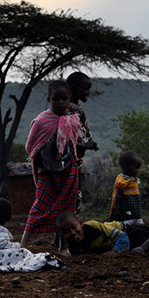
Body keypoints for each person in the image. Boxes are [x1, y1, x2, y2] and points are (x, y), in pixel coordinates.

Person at [20, 80, 82, 252]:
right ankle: (23, 244)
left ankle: (63, 248)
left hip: (68, 171)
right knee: (40, 206)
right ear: (49, 99)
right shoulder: (41, 122)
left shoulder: (74, 120)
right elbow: (30, 146)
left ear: (70, 99)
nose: (61, 102)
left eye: (65, 98)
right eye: (56, 99)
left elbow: (74, 144)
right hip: (47, 172)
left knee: (66, 210)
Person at [0, 198, 64, 272]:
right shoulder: (1, 231)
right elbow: (4, 245)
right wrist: (18, 246)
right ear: (9, 218)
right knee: (21, 253)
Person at [65, 71, 99, 217]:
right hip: (67, 164)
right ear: (73, 87)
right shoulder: (69, 110)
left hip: (73, 164)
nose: (88, 93)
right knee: (69, 202)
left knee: (69, 201)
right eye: (85, 89)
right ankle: (63, 236)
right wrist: (87, 145)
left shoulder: (74, 109)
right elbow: (66, 140)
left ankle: (60, 237)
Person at [56, 211, 149, 256]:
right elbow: (68, 254)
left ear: (80, 223)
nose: (72, 233)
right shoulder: (73, 248)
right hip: (120, 244)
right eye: (67, 232)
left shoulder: (92, 227)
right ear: (62, 234)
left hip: (126, 232)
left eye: (74, 227)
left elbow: (122, 236)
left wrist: (115, 251)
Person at [108, 151, 145, 225]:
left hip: (135, 212)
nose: (137, 170)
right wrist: (117, 211)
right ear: (126, 167)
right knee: (127, 227)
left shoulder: (132, 180)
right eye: (136, 168)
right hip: (126, 214)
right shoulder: (122, 181)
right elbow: (117, 197)